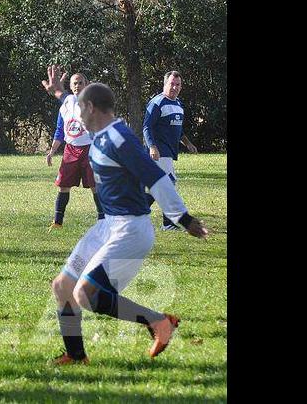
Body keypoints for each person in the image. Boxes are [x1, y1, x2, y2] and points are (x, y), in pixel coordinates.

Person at [49, 82, 208, 365]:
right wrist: (60, 93)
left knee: (86, 294)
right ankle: (76, 356)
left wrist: (183, 218)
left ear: (90, 108)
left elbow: (155, 176)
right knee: (63, 286)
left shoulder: (119, 138)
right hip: (108, 225)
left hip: (130, 229)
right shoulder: (99, 132)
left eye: (79, 109)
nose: (76, 116)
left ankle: (159, 323)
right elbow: (71, 105)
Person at [41, 66, 106, 230]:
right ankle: (57, 222)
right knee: (63, 186)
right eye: (74, 83)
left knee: (95, 186)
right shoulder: (66, 105)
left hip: (89, 150)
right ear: (70, 86)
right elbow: (59, 131)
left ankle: (103, 222)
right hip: (70, 150)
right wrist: (52, 151)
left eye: (80, 82)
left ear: (87, 85)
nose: (77, 85)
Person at [142, 71, 199, 231]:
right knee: (168, 185)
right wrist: (152, 146)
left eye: (177, 84)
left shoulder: (178, 104)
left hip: (169, 153)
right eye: (171, 84)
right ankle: (168, 223)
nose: (174, 87)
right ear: (165, 84)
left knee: (157, 188)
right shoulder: (157, 102)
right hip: (160, 152)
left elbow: (178, 130)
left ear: (181, 86)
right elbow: (147, 127)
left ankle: (134, 214)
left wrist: (188, 143)